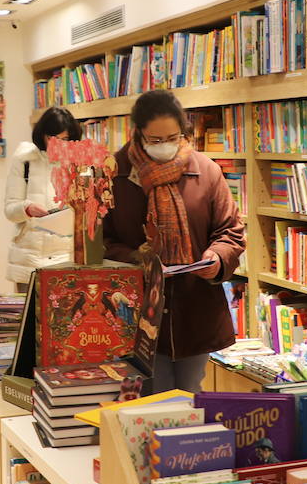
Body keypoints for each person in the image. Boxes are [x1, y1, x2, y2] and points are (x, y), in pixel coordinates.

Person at [102, 89, 245, 393]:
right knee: (151, 396)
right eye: (155, 140)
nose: (165, 146)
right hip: (136, 311)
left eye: (173, 137)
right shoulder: (114, 174)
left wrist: (217, 258)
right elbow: (103, 241)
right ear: (138, 133)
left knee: (191, 394)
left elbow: (230, 230)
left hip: (195, 308)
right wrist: (136, 259)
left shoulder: (205, 170)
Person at [4, 106, 81, 291]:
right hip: (29, 258)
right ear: (43, 135)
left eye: (64, 139)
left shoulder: (79, 162)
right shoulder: (25, 160)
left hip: (66, 257)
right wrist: (27, 208)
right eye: (52, 139)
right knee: (28, 316)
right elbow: (10, 210)